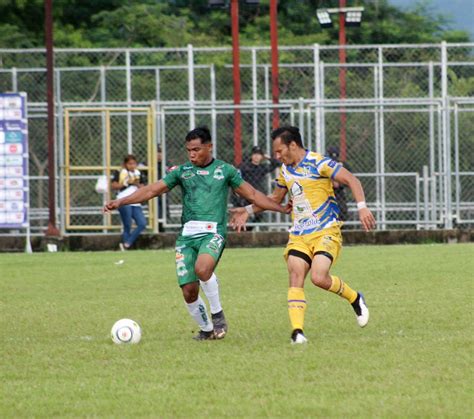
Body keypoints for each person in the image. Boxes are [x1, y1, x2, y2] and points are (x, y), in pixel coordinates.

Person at [104, 127, 288, 341]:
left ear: (209, 147)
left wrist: (281, 208)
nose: (192, 154)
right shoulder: (182, 172)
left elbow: (254, 194)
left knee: (203, 269)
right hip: (186, 237)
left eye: (197, 149)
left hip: (213, 232)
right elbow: (152, 190)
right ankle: (207, 328)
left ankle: (218, 314)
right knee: (189, 291)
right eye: (189, 150)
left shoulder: (225, 171)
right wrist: (120, 201)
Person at [230, 126, 376, 344]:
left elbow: (352, 180)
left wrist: (362, 207)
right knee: (296, 274)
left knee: (318, 277)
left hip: (326, 230)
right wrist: (248, 210)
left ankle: (354, 298)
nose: (277, 156)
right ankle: (297, 332)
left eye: (280, 151)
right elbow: (275, 199)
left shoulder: (319, 163)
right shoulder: (285, 171)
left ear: (293, 145)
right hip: (299, 234)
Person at [233, 146, 280, 225]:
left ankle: (249, 229)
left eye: (259, 154)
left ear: (261, 156)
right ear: (251, 155)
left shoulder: (262, 167)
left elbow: (278, 164)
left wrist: (267, 157)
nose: (256, 156)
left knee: (259, 215)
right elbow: (236, 176)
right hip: (245, 195)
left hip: (256, 195)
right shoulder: (244, 166)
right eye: (255, 154)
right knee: (243, 213)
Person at [111, 155, 147, 250]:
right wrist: (126, 183)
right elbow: (114, 186)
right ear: (125, 164)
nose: (132, 166)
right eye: (130, 163)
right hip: (123, 200)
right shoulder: (120, 172)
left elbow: (143, 187)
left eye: (134, 163)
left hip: (136, 201)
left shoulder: (138, 173)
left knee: (142, 223)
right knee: (127, 224)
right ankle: (126, 247)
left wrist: (136, 183)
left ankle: (127, 243)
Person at [326, 146, 350, 222]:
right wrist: (330, 181)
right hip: (327, 192)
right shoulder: (324, 165)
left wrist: (339, 183)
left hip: (339, 193)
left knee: (342, 211)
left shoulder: (343, 165)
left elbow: (350, 180)